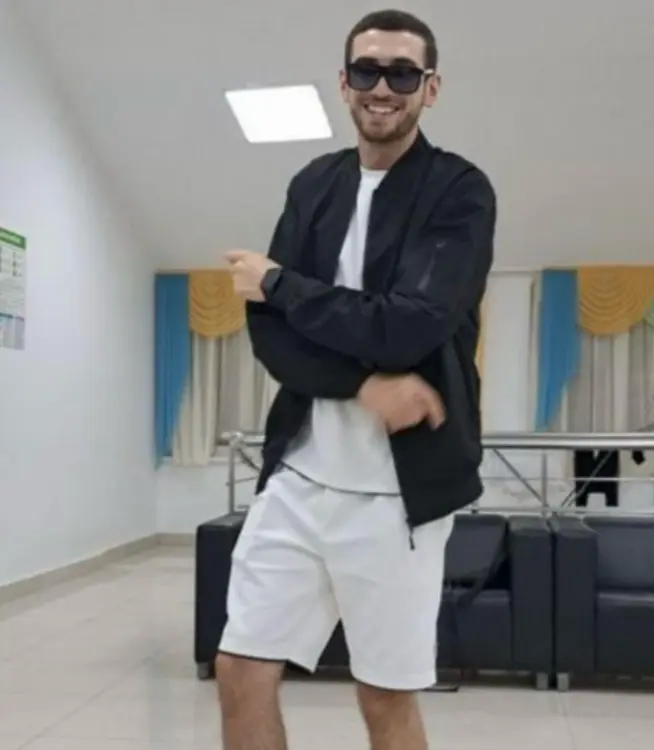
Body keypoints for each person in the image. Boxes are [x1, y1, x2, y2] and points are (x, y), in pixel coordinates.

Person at [219, 8, 496, 750]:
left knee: (384, 698)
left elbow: (410, 325)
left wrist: (280, 283)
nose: (382, 87)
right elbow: (269, 333)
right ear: (344, 82)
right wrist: (363, 385)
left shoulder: (460, 191)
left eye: (402, 73)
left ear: (430, 88)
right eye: (367, 70)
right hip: (299, 478)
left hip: (399, 497)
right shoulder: (314, 183)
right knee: (239, 671)